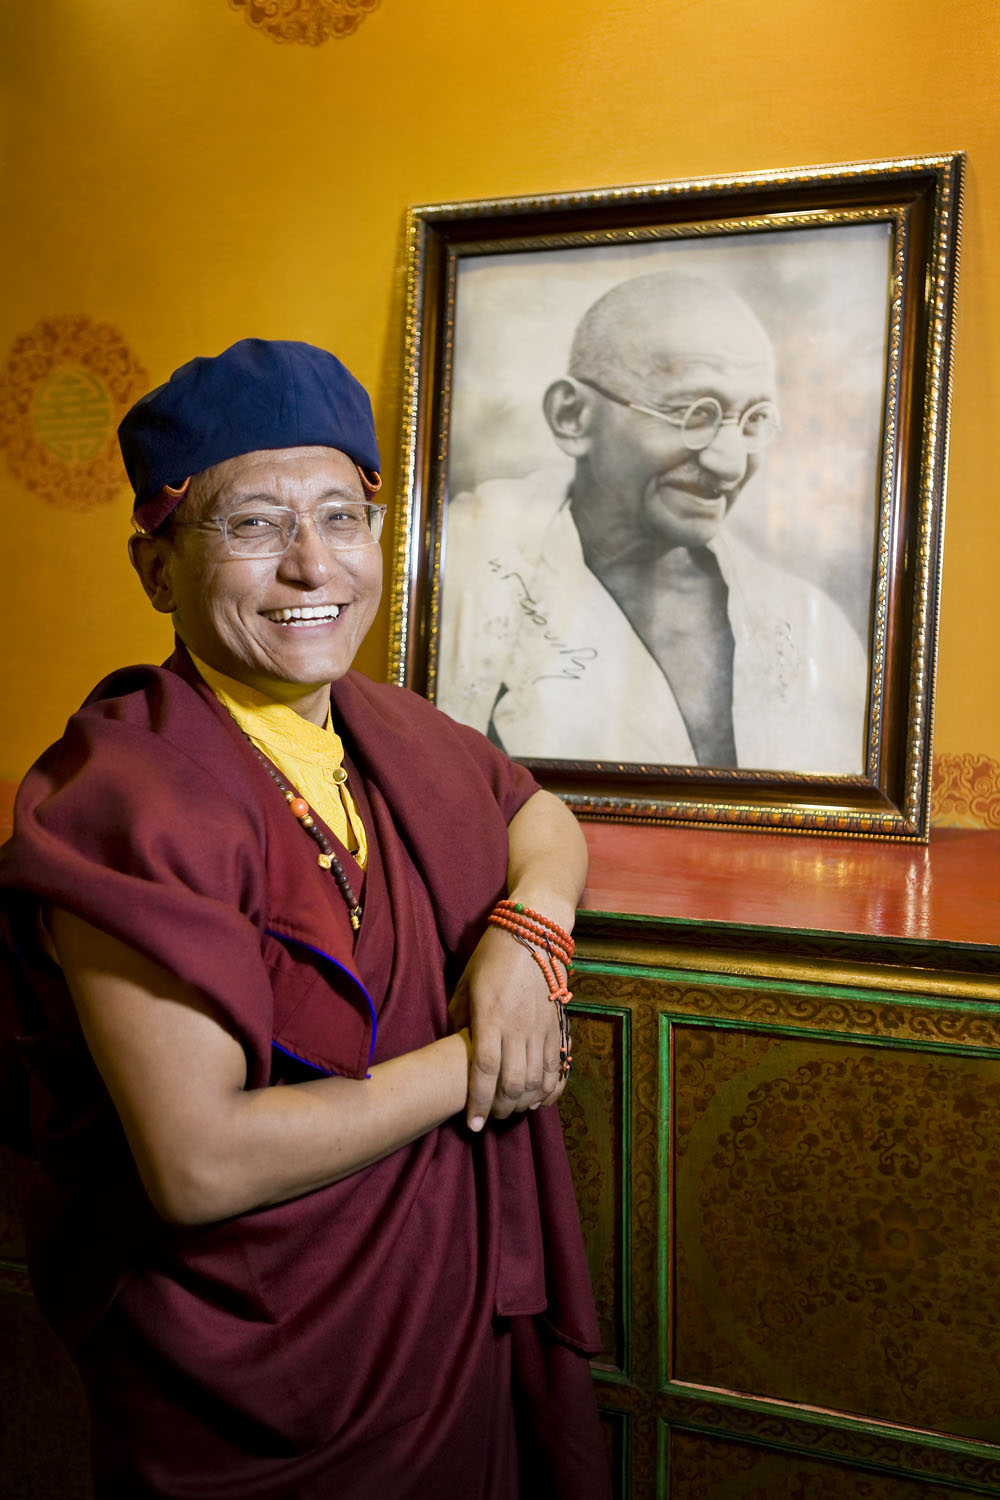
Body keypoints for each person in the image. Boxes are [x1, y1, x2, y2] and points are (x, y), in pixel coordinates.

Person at [0, 339, 611, 1499]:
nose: (310, 565)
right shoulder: (124, 800)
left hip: (437, 1319)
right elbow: (197, 1164)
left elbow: (540, 816)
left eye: (342, 516)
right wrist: (486, 1059)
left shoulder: (387, 731)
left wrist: (530, 935)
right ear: (156, 566)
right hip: (256, 1370)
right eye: (252, 526)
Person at [437, 269, 869, 774]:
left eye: (754, 420)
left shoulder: (810, 628)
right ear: (572, 417)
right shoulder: (459, 574)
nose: (730, 464)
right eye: (693, 412)